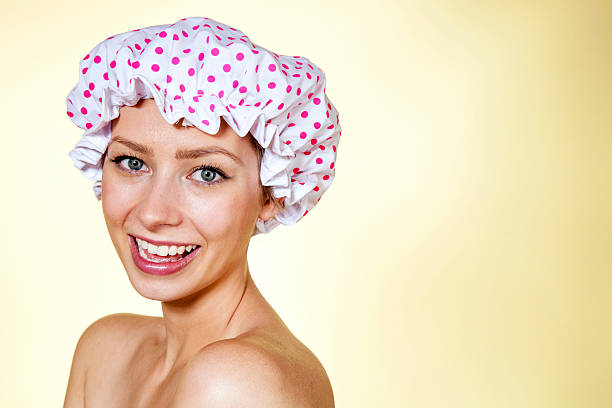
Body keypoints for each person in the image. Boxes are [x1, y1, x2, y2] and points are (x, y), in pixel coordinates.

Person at [62, 16, 340, 407]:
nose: (153, 212)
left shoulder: (237, 379)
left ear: (272, 196)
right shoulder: (104, 349)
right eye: (131, 162)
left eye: (206, 173)